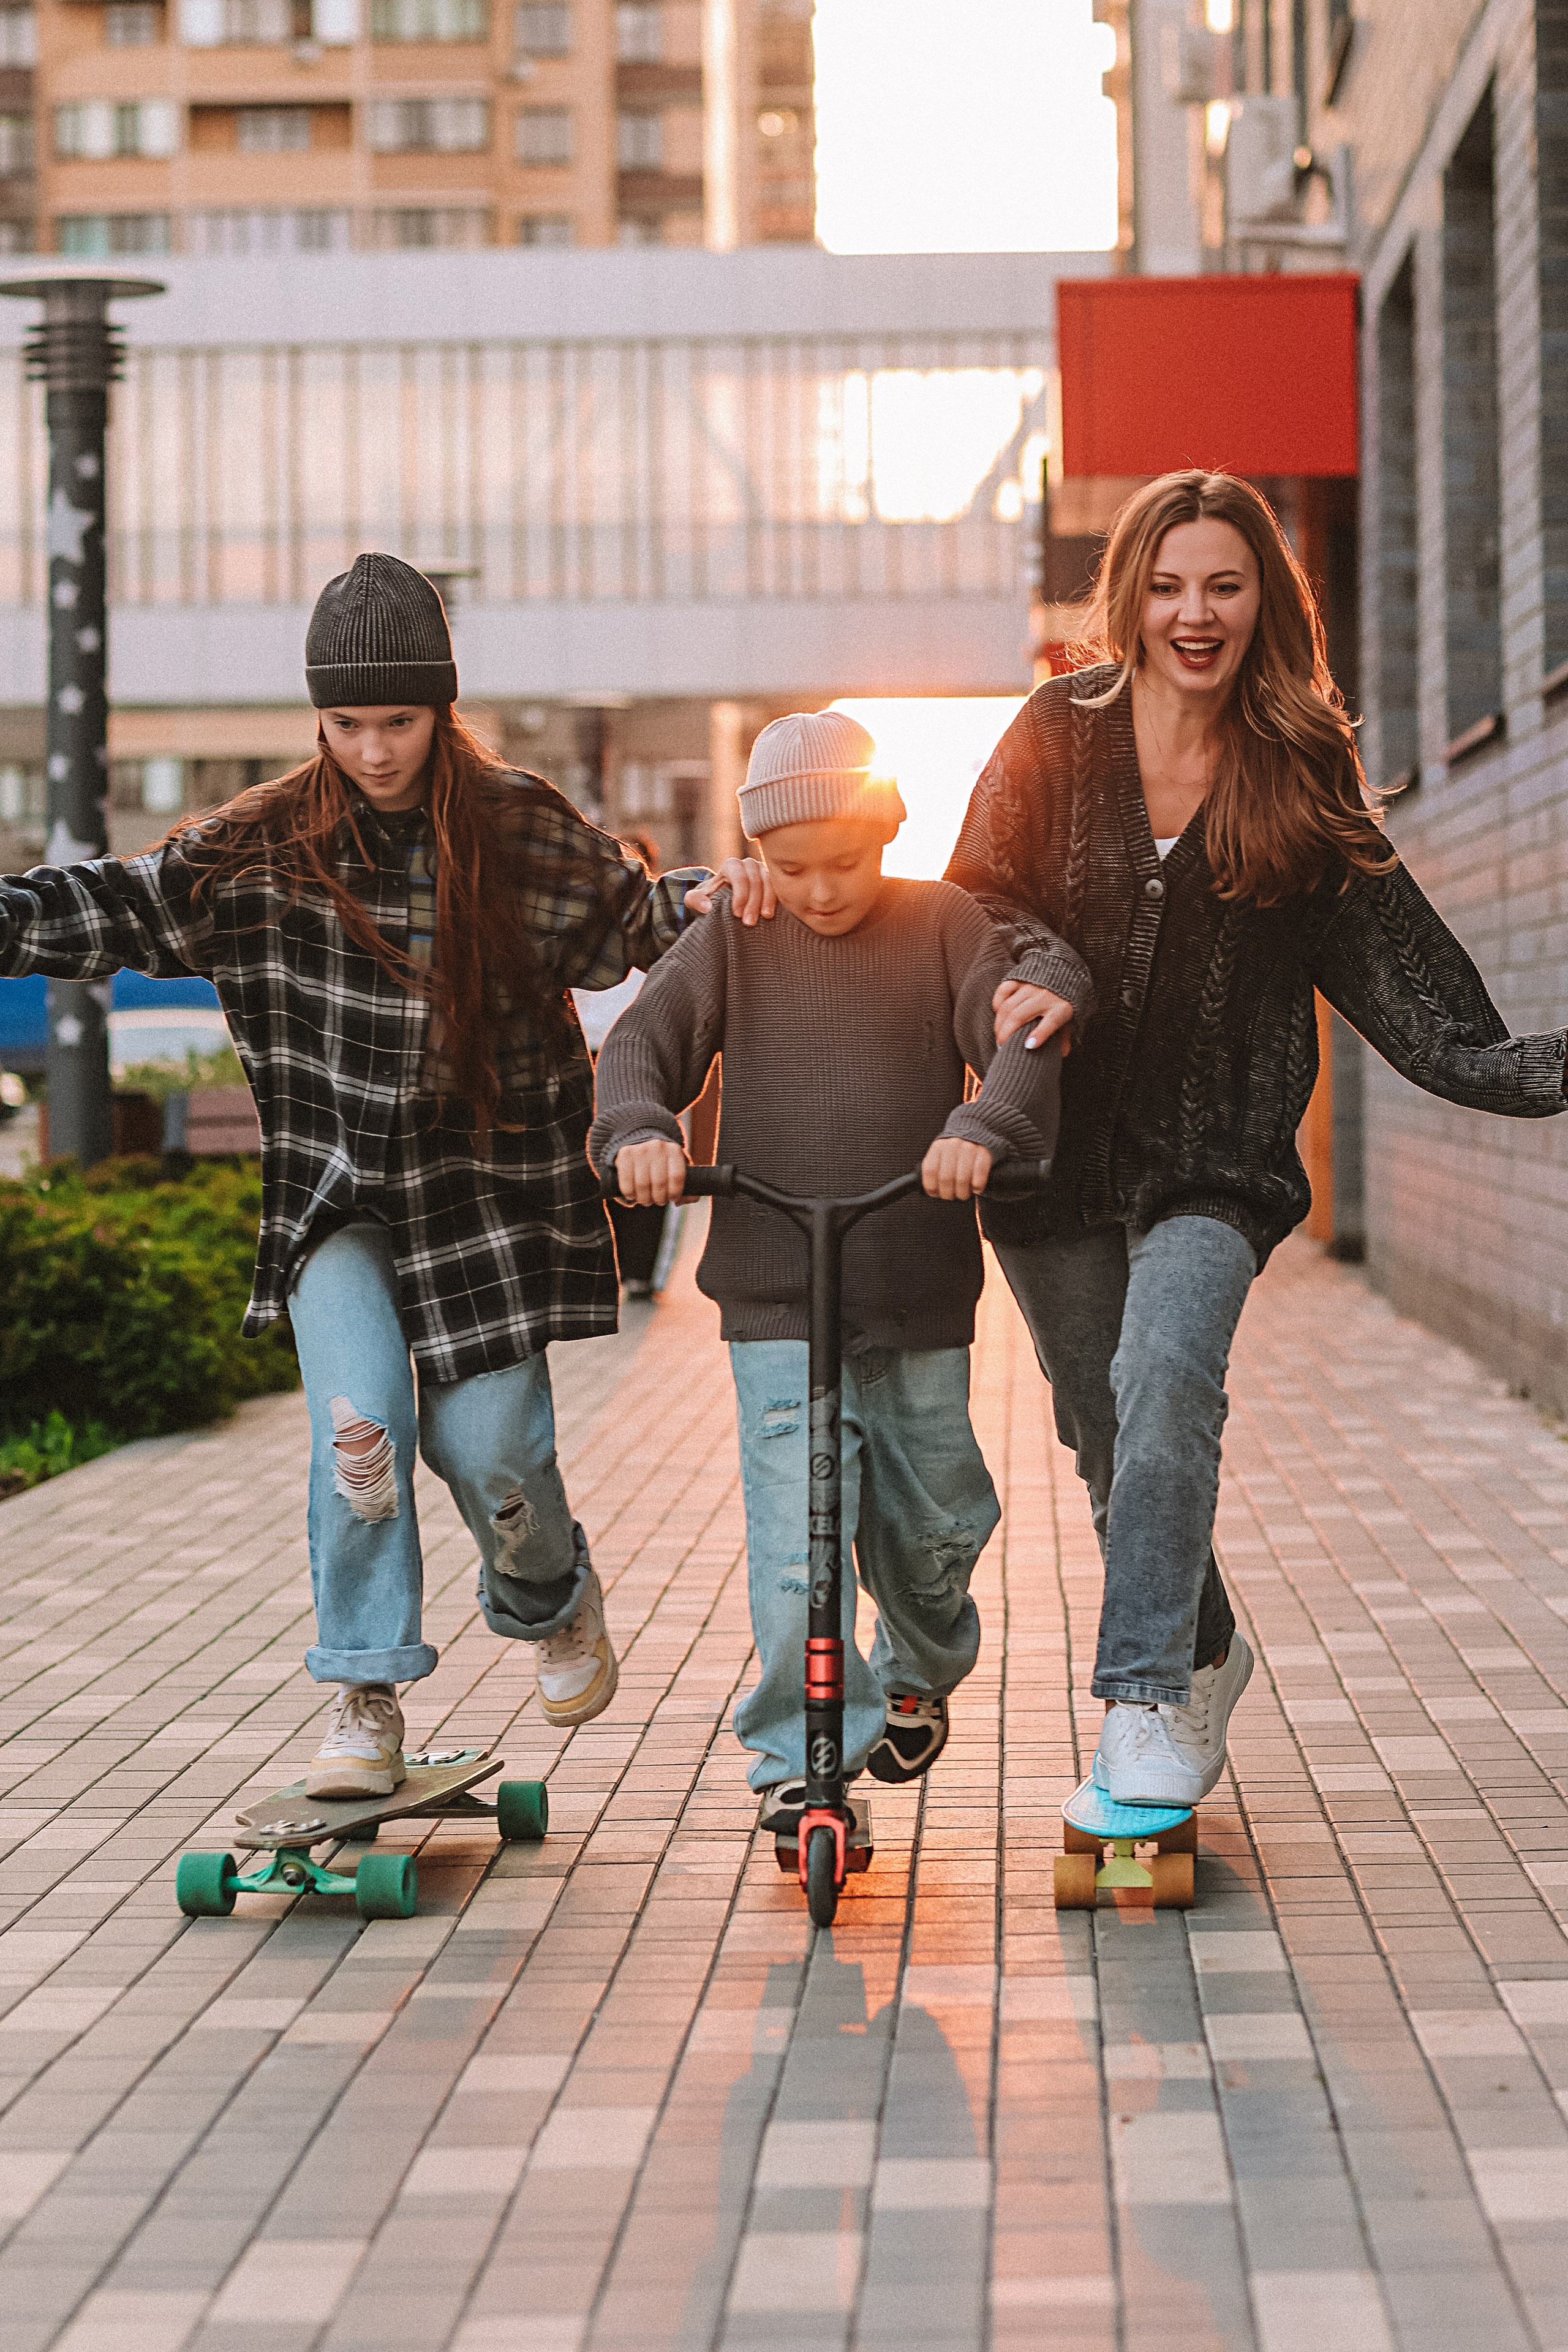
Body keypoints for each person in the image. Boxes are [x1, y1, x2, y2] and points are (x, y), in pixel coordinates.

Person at [714, 474, 1568, 1809]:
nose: (1192, 613)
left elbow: (1401, 977)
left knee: (1167, 1378)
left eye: (1223, 585)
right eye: (1166, 585)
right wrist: (790, 897)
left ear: (1263, 605)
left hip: (1213, 1164)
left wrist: (1527, 1070)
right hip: (1047, 1160)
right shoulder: (1061, 730)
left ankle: (1143, 1700)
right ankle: (1206, 1650)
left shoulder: (1296, 763)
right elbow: (976, 898)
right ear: (1129, 597)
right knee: (1110, 1439)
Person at [0, 552, 711, 1797]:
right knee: (361, 1433)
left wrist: (733, 897)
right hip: (337, 1199)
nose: (375, 750)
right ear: (317, 718)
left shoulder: (516, 827)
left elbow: (636, 923)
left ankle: (549, 1594)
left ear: (442, 708)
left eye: (399, 720)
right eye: (347, 724)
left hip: (482, 1193)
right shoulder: (265, 846)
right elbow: (115, 905)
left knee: (494, 1457)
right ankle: (363, 1694)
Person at [589, 709, 1091, 1828]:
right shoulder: (732, 935)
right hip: (772, 1292)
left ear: (891, 830)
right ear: (756, 857)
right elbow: (641, 1044)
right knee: (796, 1545)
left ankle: (920, 1664)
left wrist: (985, 1125)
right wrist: (637, 1131)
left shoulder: (943, 923)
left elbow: (1019, 1035)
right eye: (791, 866)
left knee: (937, 1523)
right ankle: (801, 1766)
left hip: (914, 1287)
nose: (819, 891)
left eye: (848, 861)